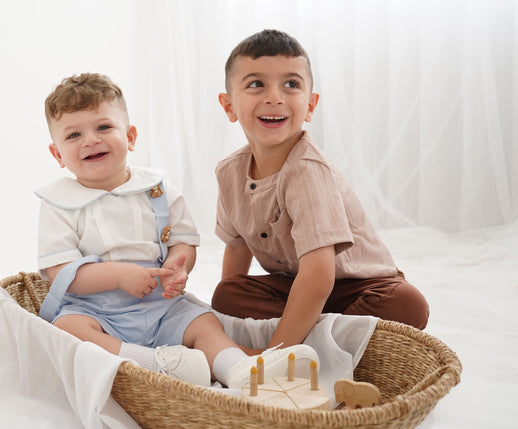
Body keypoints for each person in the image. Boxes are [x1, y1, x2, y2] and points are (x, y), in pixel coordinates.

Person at [35, 73, 317, 389]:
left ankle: (241, 371)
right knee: (68, 330)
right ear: (58, 154)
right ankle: (152, 365)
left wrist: (177, 265)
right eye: (73, 135)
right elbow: (61, 273)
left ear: (130, 136)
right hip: (98, 311)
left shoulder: (156, 189)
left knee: (205, 323)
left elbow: (182, 241)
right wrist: (118, 276)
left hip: (160, 304)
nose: (90, 140)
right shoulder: (59, 203)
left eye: (103, 127)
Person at [211, 29, 430, 350]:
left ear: (310, 105)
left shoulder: (308, 170)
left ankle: (299, 335)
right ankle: (327, 335)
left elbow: (319, 276)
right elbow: (238, 247)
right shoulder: (229, 172)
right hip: (292, 285)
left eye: (291, 84)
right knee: (228, 294)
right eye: (256, 84)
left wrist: (276, 353)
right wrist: (226, 322)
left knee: (406, 304)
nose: (275, 97)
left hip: (360, 288)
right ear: (228, 106)